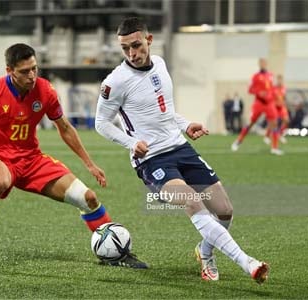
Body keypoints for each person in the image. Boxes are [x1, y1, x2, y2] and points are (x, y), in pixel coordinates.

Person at [95, 17, 269, 284]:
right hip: (151, 160)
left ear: (149, 40)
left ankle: (205, 251)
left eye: (137, 45)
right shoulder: (115, 82)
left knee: (224, 210)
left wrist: (186, 124)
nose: (132, 53)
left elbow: (164, 113)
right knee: (191, 201)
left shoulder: (161, 65)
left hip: (180, 148)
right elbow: (101, 123)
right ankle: (247, 263)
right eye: (125, 48)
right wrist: (131, 143)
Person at [0, 43, 148, 273]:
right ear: (9, 71)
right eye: (24, 71)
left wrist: (90, 164)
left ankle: (116, 253)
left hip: (32, 160)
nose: (32, 75)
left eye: (34, 68)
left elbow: (64, 128)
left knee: (89, 198)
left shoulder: (45, 90)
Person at [231, 58, 283, 155]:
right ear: (259, 64)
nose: (263, 64)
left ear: (266, 64)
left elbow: (273, 89)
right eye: (261, 63)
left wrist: (276, 98)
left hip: (269, 103)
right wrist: (259, 92)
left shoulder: (271, 76)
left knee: (275, 123)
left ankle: (274, 148)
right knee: (251, 123)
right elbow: (250, 90)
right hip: (259, 103)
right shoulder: (255, 76)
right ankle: (238, 141)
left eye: (264, 63)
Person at [264, 74, 289, 144]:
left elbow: (284, 97)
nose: (279, 81)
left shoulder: (284, 88)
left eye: (281, 80)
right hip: (274, 107)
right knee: (272, 123)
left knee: (286, 120)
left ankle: (280, 134)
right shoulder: (273, 88)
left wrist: (284, 102)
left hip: (281, 107)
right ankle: (267, 136)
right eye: (278, 80)